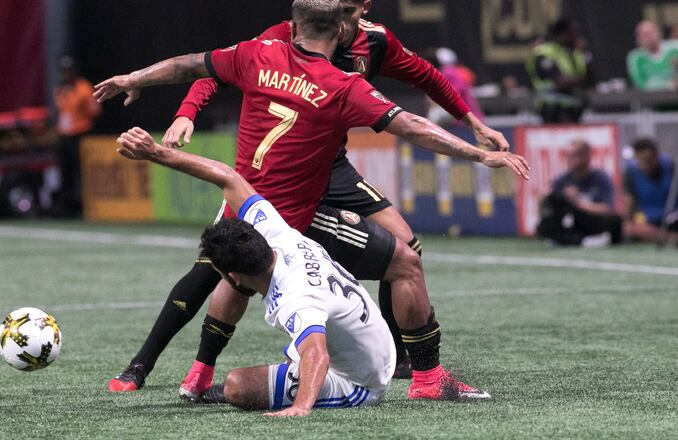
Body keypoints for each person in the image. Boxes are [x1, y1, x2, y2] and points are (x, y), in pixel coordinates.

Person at [94, 0, 529, 400]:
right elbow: (413, 125)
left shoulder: (256, 53)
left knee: (231, 277)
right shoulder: (342, 86)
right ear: (341, 28)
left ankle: (198, 375)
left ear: (295, 25)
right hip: (296, 216)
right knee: (405, 262)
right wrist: (479, 154)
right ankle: (427, 379)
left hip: (250, 202)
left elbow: (191, 65)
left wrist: (135, 80)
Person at [116, 127, 397, 416]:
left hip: (361, 381)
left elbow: (317, 354)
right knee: (286, 357)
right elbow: (228, 177)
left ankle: (257, 393)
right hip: (373, 346)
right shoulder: (277, 233)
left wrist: (300, 408)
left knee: (238, 385)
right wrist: (156, 153)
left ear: (234, 277)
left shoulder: (294, 299)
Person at [536, 140, 622, 247]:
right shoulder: (562, 180)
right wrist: (544, 199)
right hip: (573, 224)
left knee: (614, 221)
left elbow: (607, 209)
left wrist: (578, 202)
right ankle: (584, 241)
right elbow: (546, 206)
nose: (569, 160)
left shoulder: (601, 178)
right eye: (568, 156)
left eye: (574, 156)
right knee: (544, 227)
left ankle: (572, 240)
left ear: (586, 156)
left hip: (592, 222)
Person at [53, 56, 101, 216]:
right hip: (64, 136)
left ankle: (81, 206)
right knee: (65, 172)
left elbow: (95, 110)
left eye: (69, 71)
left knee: (80, 172)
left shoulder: (84, 88)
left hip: (80, 135)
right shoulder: (60, 89)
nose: (66, 74)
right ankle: (66, 207)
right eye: (64, 71)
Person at [526, 19, 592, 123]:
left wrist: (586, 55)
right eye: (573, 33)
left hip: (574, 109)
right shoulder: (544, 52)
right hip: (552, 111)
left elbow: (591, 80)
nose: (577, 37)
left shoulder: (575, 53)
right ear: (563, 34)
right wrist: (580, 81)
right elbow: (560, 82)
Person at [623, 138, 678, 243]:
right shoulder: (631, 172)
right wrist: (627, 221)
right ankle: (671, 237)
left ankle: (663, 237)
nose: (646, 164)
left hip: (673, 217)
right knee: (629, 229)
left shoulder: (671, 167)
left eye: (649, 160)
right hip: (651, 222)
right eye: (641, 160)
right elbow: (629, 202)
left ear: (656, 155)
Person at [627, 21, 678, 92]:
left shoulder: (675, 48)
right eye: (644, 34)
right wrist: (668, 85)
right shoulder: (636, 57)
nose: (649, 37)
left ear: (659, 32)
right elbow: (640, 84)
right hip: (651, 100)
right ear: (638, 38)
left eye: (651, 33)